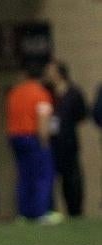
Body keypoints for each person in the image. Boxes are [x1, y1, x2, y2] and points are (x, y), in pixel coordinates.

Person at [6, 64, 59, 224]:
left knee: (24, 175)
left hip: (16, 137)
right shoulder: (41, 93)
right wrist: (44, 141)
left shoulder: (15, 92)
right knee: (42, 175)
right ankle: (40, 212)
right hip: (33, 138)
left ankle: (24, 213)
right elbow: (42, 120)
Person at [44, 60, 87, 217]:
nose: (47, 74)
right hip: (50, 142)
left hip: (68, 141)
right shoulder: (46, 92)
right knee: (49, 177)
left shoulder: (74, 92)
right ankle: (51, 211)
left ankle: (75, 211)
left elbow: (82, 115)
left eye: (50, 71)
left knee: (72, 178)